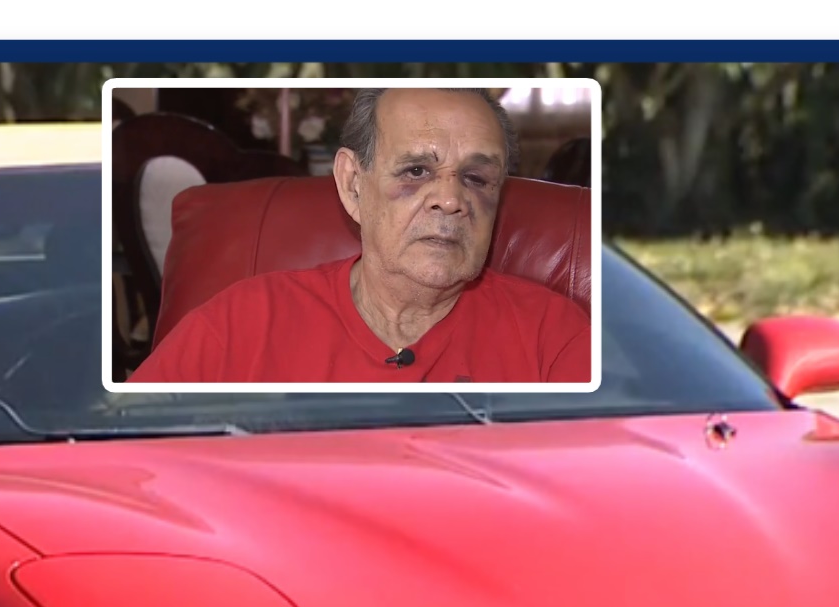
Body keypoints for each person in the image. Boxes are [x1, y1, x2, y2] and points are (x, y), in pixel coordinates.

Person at [127, 87, 590, 385]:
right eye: (415, 171)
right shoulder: (239, 324)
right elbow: (124, 462)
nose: (450, 200)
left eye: (476, 179)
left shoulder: (555, 340)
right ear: (353, 184)